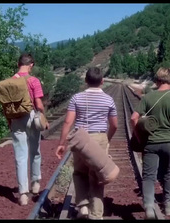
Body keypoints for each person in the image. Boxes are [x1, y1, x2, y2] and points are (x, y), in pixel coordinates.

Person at [55, 67, 118, 220]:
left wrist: (62, 143)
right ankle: (96, 214)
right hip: (100, 137)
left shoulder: (76, 98)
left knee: (79, 172)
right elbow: (114, 125)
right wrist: (107, 138)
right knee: (97, 175)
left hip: (80, 139)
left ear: (85, 81)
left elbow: (68, 121)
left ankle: (82, 206)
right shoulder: (108, 100)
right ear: (102, 81)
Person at [130, 67, 170, 219]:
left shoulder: (148, 98)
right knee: (167, 174)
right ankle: (168, 206)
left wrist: (139, 135)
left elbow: (134, 118)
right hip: (168, 143)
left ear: (157, 80)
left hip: (150, 142)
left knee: (148, 176)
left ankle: (148, 207)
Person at [8, 53, 48, 206]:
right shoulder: (33, 80)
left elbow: (7, 106)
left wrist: (9, 121)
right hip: (31, 117)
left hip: (16, 119)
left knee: (20, 155)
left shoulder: (10, 82)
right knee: (35, 151)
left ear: (19, 64)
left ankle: (23, 193)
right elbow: (38, 104)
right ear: (31, 65)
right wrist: (43, 117)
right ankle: (35, 182)